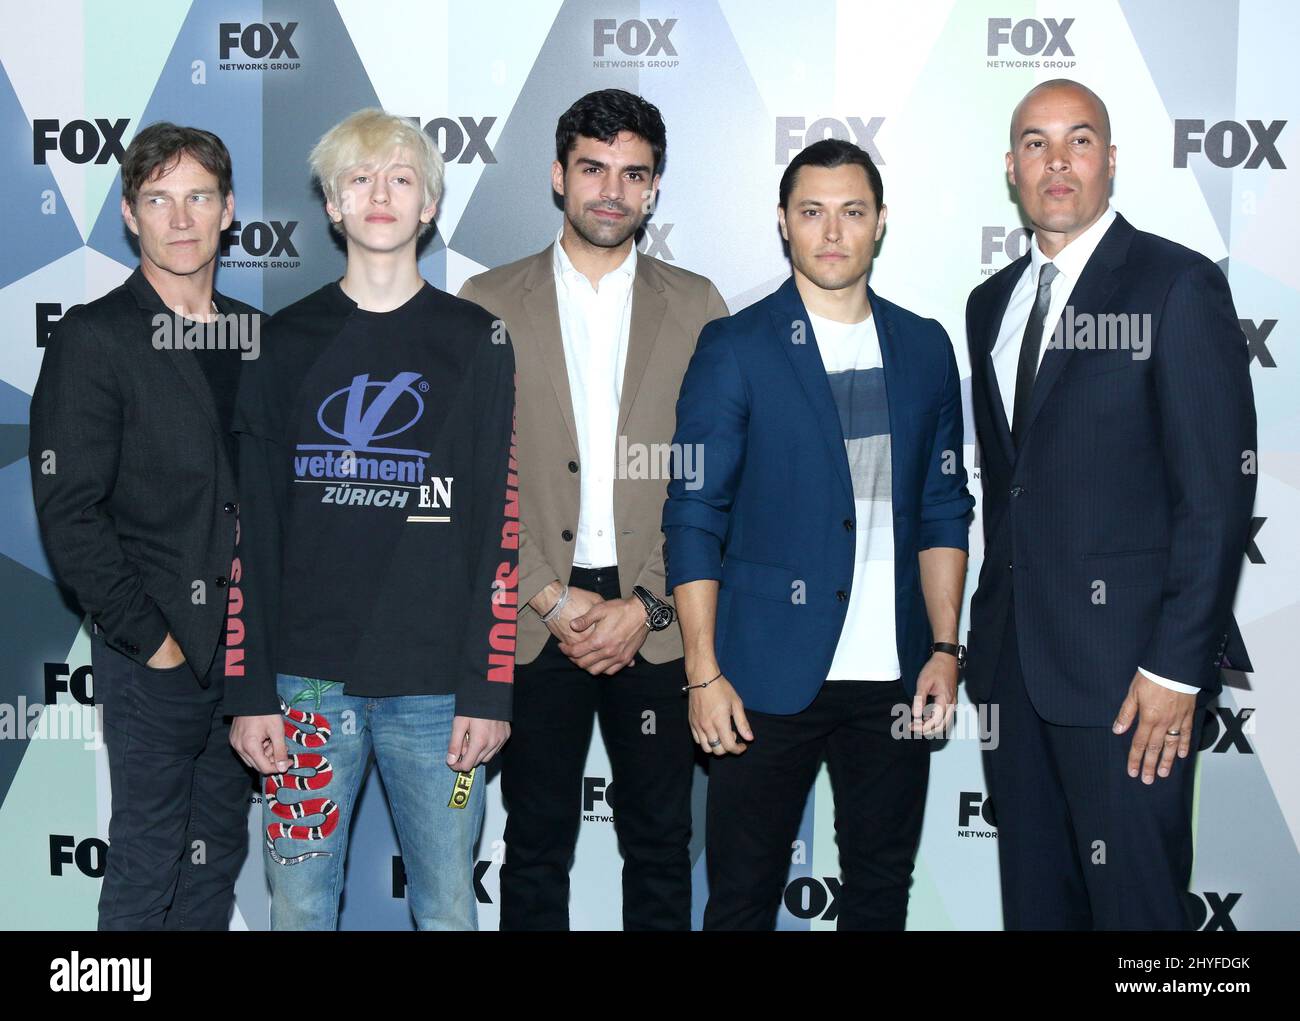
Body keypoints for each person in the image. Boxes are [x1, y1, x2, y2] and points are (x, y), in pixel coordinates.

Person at [964, 79, 1257, 930]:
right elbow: (1010, 488)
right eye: (1035, 142)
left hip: (1133, 684)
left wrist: (1175, 670)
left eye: (1079, 140)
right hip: (1014, 675)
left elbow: (1215, 496)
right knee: (1037, 909)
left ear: (1112, 162)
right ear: (1010, 169)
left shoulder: (1176, 285)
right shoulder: (991, 304)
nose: (1057, 161)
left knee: (1139, 919)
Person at [664, 138, 974, 930]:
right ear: (783, 223)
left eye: (851, 212)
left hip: (895, 677)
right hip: (763, 675)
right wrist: (703, 671)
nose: (832, 232)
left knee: (879, 894)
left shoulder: (926, 346)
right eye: (812, 213)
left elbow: (944, 504)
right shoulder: (736, 346)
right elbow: (695, 512)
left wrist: (944, 646)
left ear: (879, 224)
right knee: (740, 898)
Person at [226, 108, 517, 930]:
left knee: (451, 902)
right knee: (301, 903)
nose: (379, 193)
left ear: (429, 205)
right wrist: (252, 691)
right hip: (305, 690)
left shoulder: (478, 341)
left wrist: (488, 688)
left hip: (438, 693)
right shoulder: (282, 344)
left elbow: (498, 523)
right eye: (358, 179)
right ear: (331, 205)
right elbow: (255, 530)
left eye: (399, 178)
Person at [459, 89, 727, 930]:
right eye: (593, 168)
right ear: (557, 175)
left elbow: (714, 475)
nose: (611, 190)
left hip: (656, 614)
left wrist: (644, 603)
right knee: (534, 844)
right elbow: (471, 475)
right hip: (538, 621)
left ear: (654, 188)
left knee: (660, 842)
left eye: (632, 173)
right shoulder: (484, 301)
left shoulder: (699, 305)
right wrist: (548, 593)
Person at [29, 123, 259, 930]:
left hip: (244, 664)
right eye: (159, 199)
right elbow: (69, 510)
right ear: (130, 216)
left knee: (215, 861)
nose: (182, 218)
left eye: (199, 196)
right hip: (152, 660)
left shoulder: (258, 337)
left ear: (228, 210)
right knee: (145, 865)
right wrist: (152, 641)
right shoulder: (95, 337)